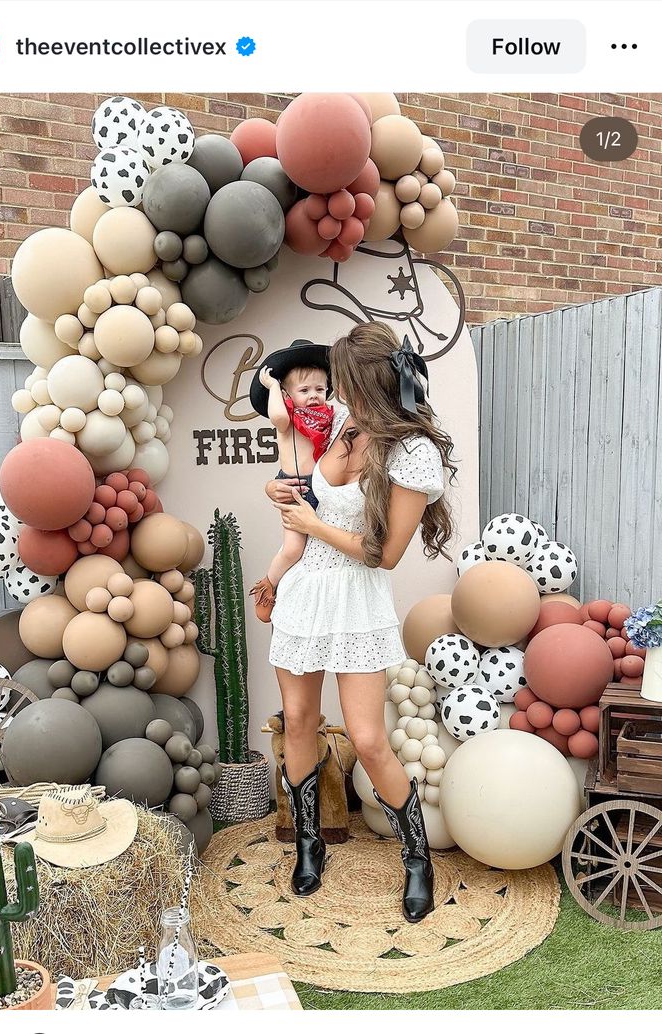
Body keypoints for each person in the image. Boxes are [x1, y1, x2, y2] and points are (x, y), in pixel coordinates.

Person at [264, 321, 456, 923]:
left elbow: (385, 553)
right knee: (297, 719)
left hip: (357, 596)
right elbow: (308, 494)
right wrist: (283, 494)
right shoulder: (340, 426)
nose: (334, 389)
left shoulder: (412, 452)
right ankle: (308, 839)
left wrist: (312, 522)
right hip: (304, 594)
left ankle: (416, 856)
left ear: (369, 380)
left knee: (369, 738)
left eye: (344, 379)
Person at [248, 340, 334, 622]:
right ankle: (268, 585)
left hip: (324, 488)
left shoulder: (328, 419)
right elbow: (276, 415)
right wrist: (273, 387)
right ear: (288, 394)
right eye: (304, 390)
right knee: (294, 548)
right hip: (296, 490)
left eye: (319, 389)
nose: (313, 396)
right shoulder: (288, 420)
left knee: (322, 551)